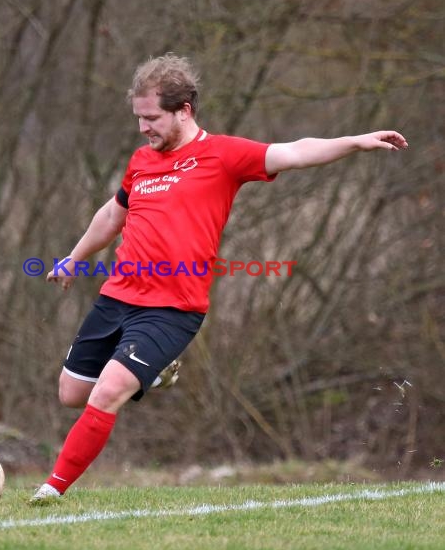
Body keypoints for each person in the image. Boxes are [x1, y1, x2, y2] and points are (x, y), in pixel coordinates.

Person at [30, 54, 408, 502]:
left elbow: (295, 151)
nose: (143, 128)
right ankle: (153, 372)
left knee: (109, 391)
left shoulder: (224, 155)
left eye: (151, 118)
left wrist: (356, 142)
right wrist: (74, 258)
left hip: (172, 309)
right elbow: (115, 212)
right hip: (117, 297)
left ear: (184, 110)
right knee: (71, 393)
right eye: (138, 118)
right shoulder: (141, 161)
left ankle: (52, 490)